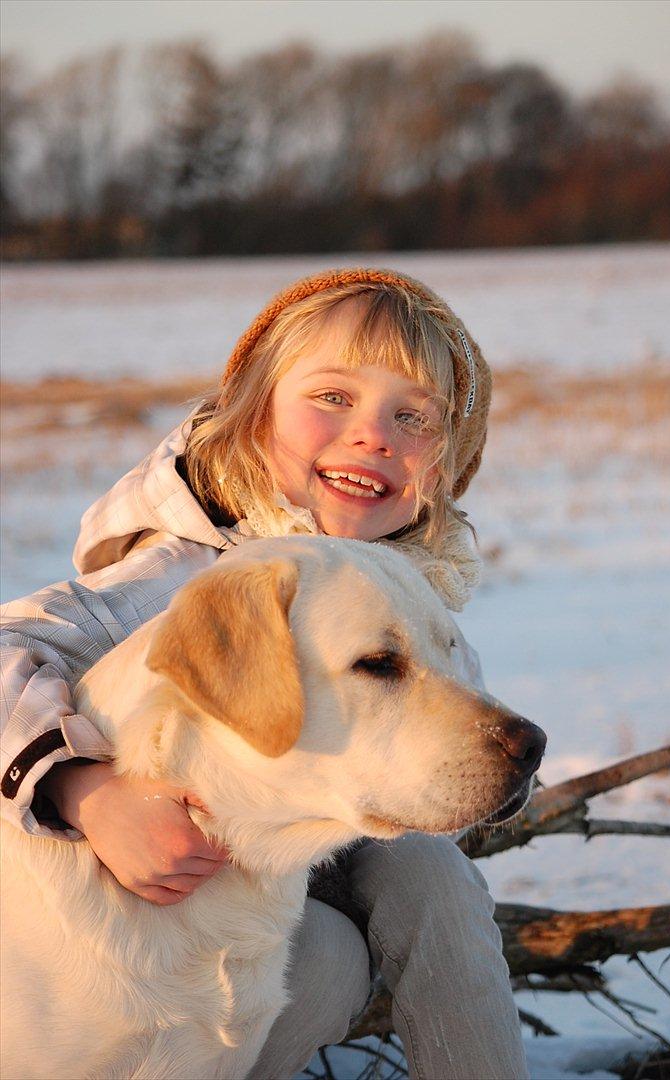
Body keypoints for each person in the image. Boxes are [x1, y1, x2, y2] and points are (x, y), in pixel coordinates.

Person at [1, 268, 528, 1079]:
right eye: (332, 397)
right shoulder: (176, 582)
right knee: (323, 963)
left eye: (412, 416)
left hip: (302, 866)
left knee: (430, 880)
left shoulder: (406, 593)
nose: (373, 435)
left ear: (445, 466)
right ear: (252, 416)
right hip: (148, 880)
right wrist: (85, 790)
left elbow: (430, 757)